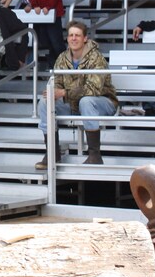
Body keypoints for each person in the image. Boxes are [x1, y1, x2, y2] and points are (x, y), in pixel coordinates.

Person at [36, 21, 116, 169]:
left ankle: (95, 155)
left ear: (85, 38)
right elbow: (57, 83)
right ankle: (52, 153)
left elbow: (94, 89)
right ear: (67, 39)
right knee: (45, 102)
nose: (73, 38)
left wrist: (64, 93)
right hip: (74, 104)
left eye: (77, 35)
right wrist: (53, 92)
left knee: (86, 101)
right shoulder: (62, 58)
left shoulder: (96, 58)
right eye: (71, 35)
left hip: (103, 103)